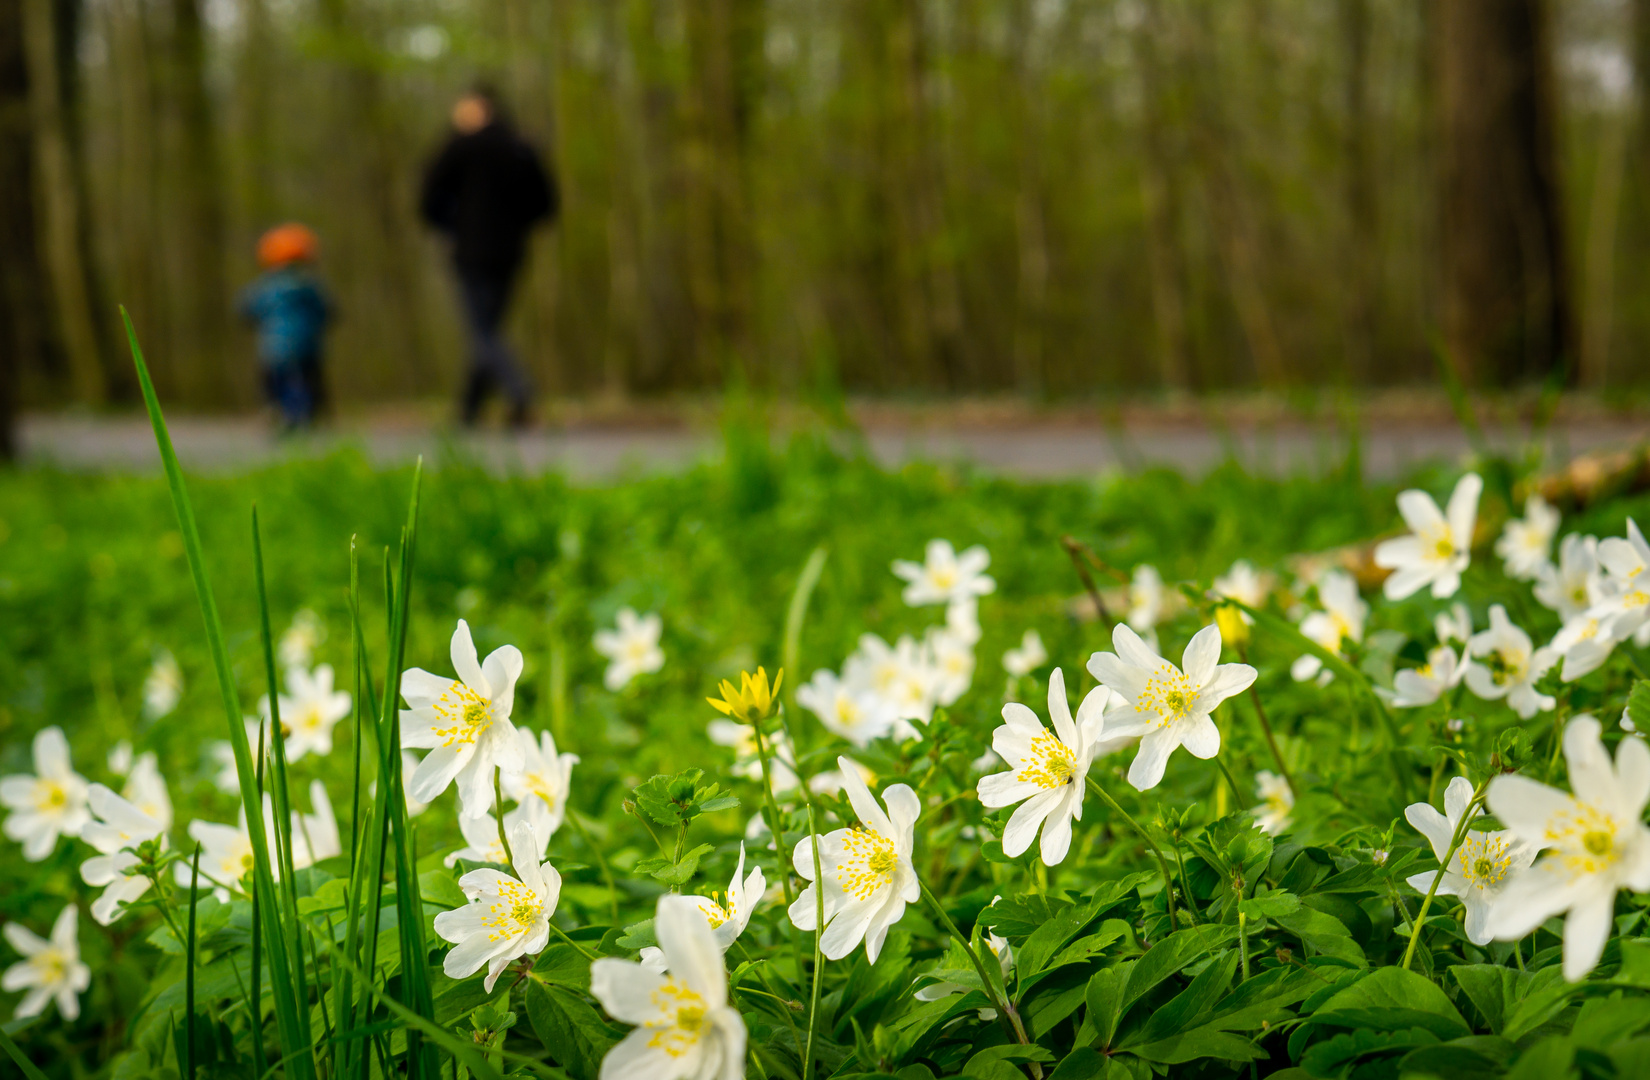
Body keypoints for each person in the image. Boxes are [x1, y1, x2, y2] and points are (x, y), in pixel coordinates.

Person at [420, 84, 557, 428]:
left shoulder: (459, 147)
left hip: (471, 249)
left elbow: (427, 199)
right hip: (511, 250)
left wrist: (450, 226)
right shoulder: (520, 147)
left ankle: (518, 389)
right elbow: (545, 203)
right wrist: (516, 224)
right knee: (488, 328)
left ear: (479, 109)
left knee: (483, 331)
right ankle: (468, 410)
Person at [239, 224, 334, 431]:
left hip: (273, 348)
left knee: (276, 381)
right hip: (307, 348)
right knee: (306, 381)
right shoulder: (310, 285)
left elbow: (245, 308)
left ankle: (283, 412)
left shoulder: (265, 286)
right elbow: (328, 310)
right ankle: (301, 415)